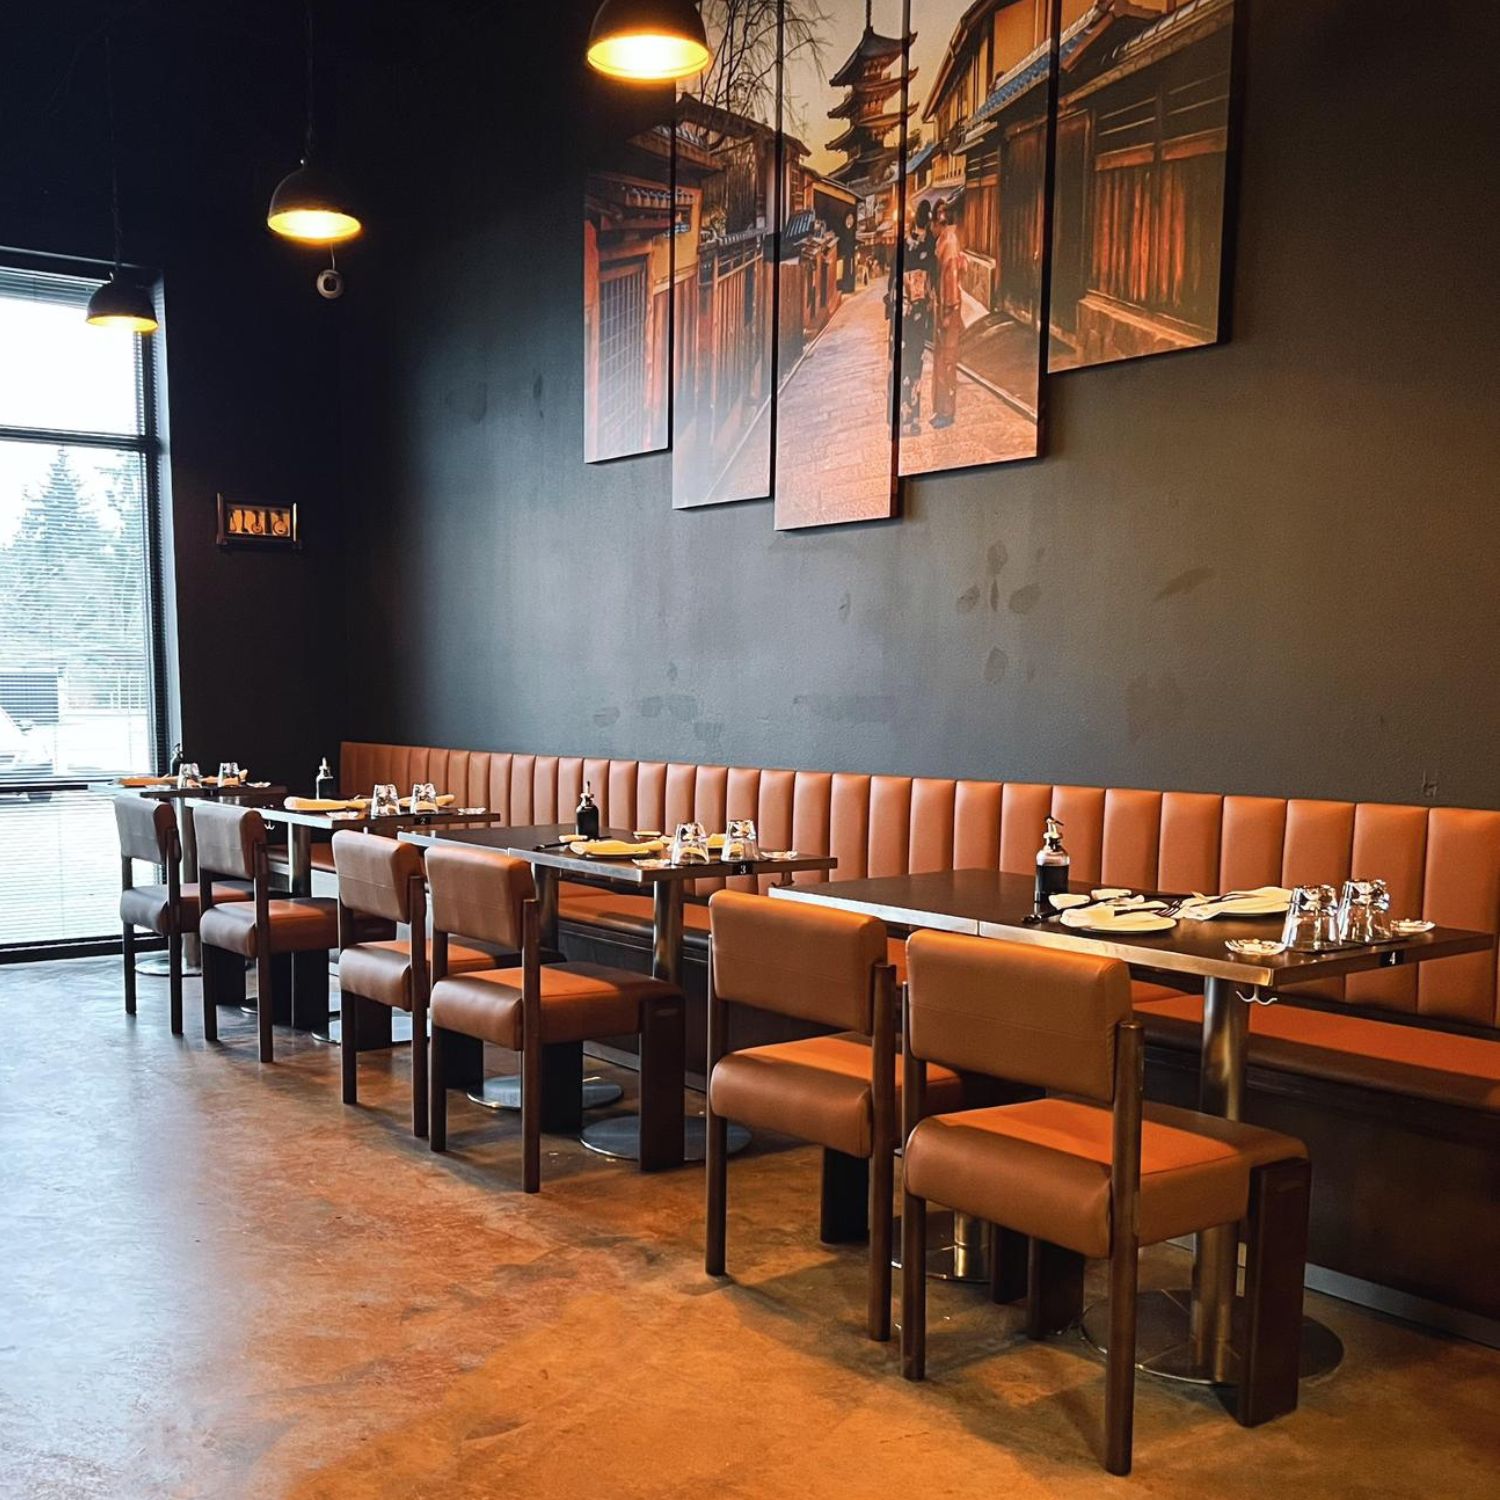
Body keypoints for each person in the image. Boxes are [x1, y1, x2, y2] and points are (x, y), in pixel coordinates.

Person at [897, 201, 935, 437]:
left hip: (909, 309)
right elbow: (931, 277)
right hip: (914, 309)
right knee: (912, 363)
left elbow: (896, 277)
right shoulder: (927, 243)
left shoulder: (913, 243)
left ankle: (908, 416)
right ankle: (910, 417)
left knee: (909, 363)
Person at [930, 199, 963, 430]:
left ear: (937, 222)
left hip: (948, 308)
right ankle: (941, 409)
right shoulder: (945, 239)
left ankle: (947, 411)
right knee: (941, 361)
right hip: (942, 306)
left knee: (947, 361)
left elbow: (950, 277)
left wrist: (948, 311)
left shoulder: (948, 242)